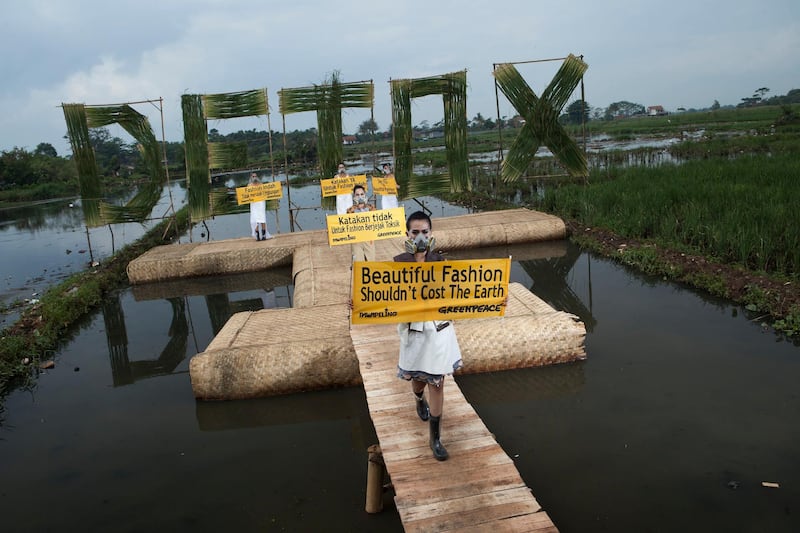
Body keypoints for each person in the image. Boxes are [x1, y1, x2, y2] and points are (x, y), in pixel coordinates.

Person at [394, 211, 462, 461]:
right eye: (415, 232)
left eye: (425, 232)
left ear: (431, 234)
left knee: (438, 381)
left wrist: (492, 298)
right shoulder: (398, 263)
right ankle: (417, 397)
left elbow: (460, 291)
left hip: (439, 329)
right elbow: (380, 295)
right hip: (414, 329)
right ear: (407, 234)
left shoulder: (440, 261)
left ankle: (435, 438)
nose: (421, 237)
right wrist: (357, 305)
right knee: (417, 378)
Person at [346, 184, 376, 262]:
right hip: (356, 240)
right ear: (354, 197)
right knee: (359, 264)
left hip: (369, 239)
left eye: (362, 194)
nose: (360, 197)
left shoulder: (371, 208)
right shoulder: (350, 211)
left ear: (365, 195)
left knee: (371, 263)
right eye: (357, 195)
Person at [248, 173, 272, 241]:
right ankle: (257, 236)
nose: (254, 177)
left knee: (262, 218)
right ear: (251, 177)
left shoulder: (261, 185)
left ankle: (264, 235)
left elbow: (265, 192)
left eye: (255, 176)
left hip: (261, 204)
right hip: (254, 205)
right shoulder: (249, 186)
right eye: (253, 176)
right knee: (255, 220)